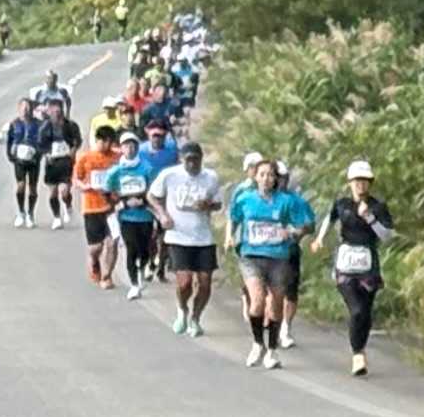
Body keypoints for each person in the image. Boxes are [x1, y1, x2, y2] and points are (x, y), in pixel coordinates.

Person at [231, 156, 317, 369]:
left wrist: (295, 232)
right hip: (251, 255)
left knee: (276, 305)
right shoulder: (244, 198)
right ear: (255, 177)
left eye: (271, 175)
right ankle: (257, 343)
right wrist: (232, 236)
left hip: (279, 257)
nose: (266, 179)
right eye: (262, 174)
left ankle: (272, 350)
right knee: (258, 300)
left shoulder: (287, 201)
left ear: (276, 179)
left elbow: (307, 224)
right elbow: (234, 217)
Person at [326, 161, 399, 377]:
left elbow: (386, 236)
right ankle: (357, 354)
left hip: (368, 265)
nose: (361, 185)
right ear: (350, 183)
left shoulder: (378, 207)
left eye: (365, 181)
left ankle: (361, 346)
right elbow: (328, 222)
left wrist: (370, 218)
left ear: (370, 183)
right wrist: (319, 240)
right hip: (346, 264)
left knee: (365, 313)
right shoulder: (342, 205)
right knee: (356, 310)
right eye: (357, 181)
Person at [154, 138, 227, 338]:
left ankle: (195, 317)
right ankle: (181, 310)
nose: (192, 164)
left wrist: (208, 205)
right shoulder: (169, 175)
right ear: (181, 159)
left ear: (202, 159)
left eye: (196, 159)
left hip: (203, 237)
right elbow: (152, 195)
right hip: (178, 236)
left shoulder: (210, 177)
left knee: (204, 283)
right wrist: (162, 214)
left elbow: (218, 203)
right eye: (188, 160)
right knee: (184, 282)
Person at [108, 137, 163, 296]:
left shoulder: (147, 168)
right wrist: (121, 202)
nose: (130, 149)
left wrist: (143, 200)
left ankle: (143, 268)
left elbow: (154, 191)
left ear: (137, 148)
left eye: (133, 146)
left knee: (145, 250)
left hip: (145, 216)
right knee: (131, 249)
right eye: (126, 146)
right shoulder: (116, 171)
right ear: (121, 148)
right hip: (126, 217)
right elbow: (108, 191)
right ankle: (134, 284)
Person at [74, 121, 124, 287]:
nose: (109, 145)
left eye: (111, 142)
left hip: (111, 208)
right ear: (99, 141)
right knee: (96, 247)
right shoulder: (86, 158)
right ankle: (94, 261)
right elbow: (76, 179)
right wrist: (84, 186)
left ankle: (107, 276)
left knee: (112, 241)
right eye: (106, 142)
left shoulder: (117, 158)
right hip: (92, 206)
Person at [0, 100, 39, 228]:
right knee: (20, 185)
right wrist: (10, 155)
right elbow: (9, 141)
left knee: (32, 188)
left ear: (31, 109)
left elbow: (43, 140)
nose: (25, 110)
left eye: (28, 108)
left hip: (33, 159)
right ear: (19, 109)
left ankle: (31, 213)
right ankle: (21, 212)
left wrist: (39, 153)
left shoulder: (38, 124)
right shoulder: (14, 124)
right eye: (23, 108)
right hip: (19, 159)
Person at [38, 98, 78, 228]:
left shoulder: (70, 125)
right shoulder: (45, 127)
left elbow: (77, 140)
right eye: (53, 110)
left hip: (66, 160)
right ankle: (56, 217)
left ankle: (67, 205)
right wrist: (46, 153)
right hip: (52, 161)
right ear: (49, 112)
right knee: (53, 192)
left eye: (58, 110)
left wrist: (73, 150)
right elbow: (40, 144)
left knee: (65, 191)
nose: (56, 113)